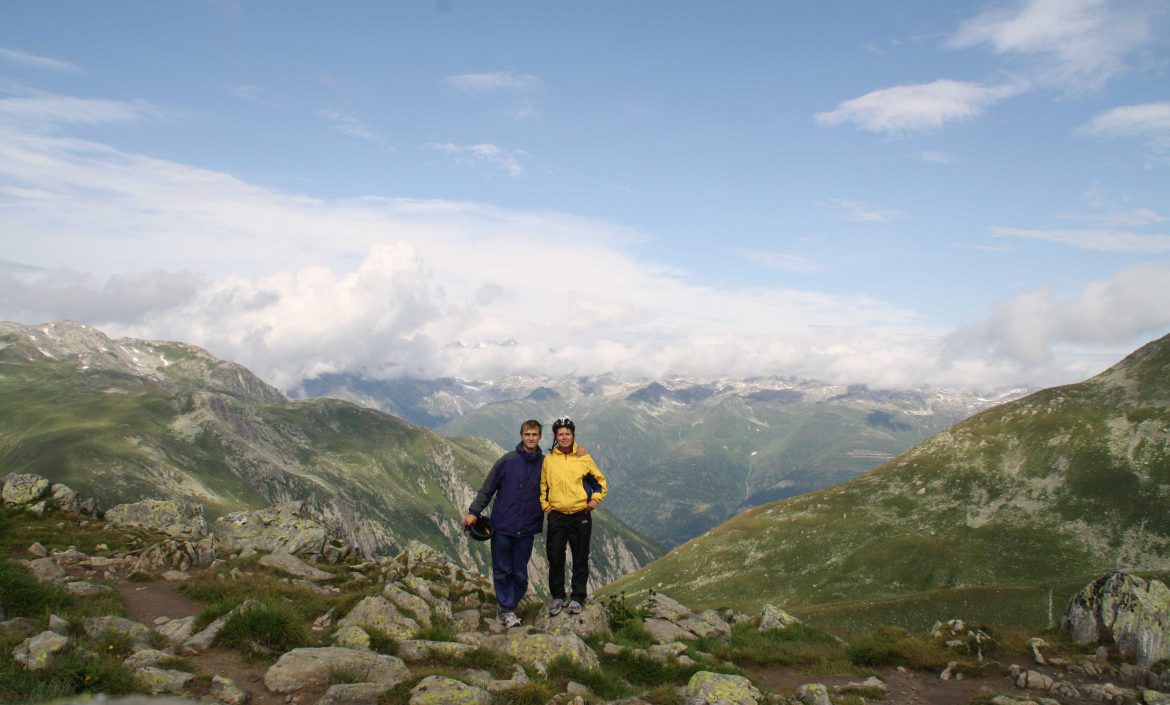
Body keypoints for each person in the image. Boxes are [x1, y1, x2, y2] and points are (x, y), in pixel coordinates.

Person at [464, 419, 546, 628]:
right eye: (527, 434)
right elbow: (488, 488)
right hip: (502, 526)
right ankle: (506, 609)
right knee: (502, 569)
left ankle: (509, 605)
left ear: (539, 437)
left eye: (534, 434)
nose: (530, 438)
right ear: (521, 436)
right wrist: (474, 512)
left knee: (520, 572)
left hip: (527, 528)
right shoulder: (507, 461)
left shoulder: (546, 464)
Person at [540, 416, 608, 616]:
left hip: (580, 514)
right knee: (555, 557)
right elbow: (543, 486)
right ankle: (558, 597)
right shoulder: (549, 460)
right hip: (557, 515)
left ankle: (578, 596)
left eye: (567, 433)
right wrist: (546, 506)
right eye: (560, 434)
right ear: (555, 436)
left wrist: (594, 500)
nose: (564, 437)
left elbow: (600, 482)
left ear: (572, 435)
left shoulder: (583, 457)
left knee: (580, 556)